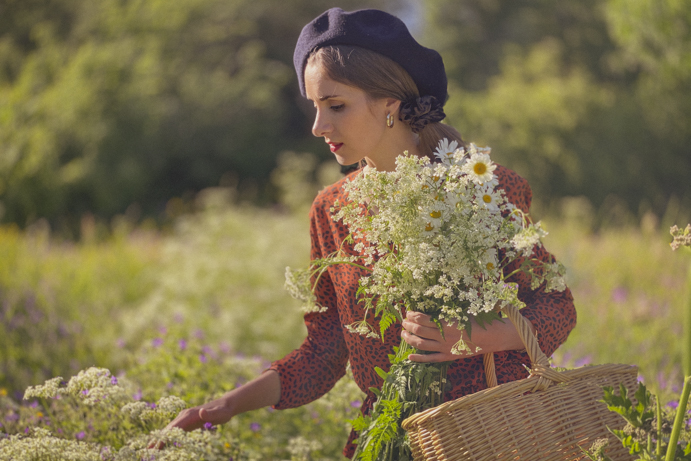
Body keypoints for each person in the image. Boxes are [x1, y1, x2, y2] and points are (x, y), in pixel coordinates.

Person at [165, 7, 577, 458]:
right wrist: (222, 407)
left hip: (493, 431)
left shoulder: (486, 188)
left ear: (390, 104)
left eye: (335, 106)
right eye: (315, 107)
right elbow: (325, 350)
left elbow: (556, 308)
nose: (318, 127)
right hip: (387, 437)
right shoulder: (331, 210)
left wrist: (470, 334)